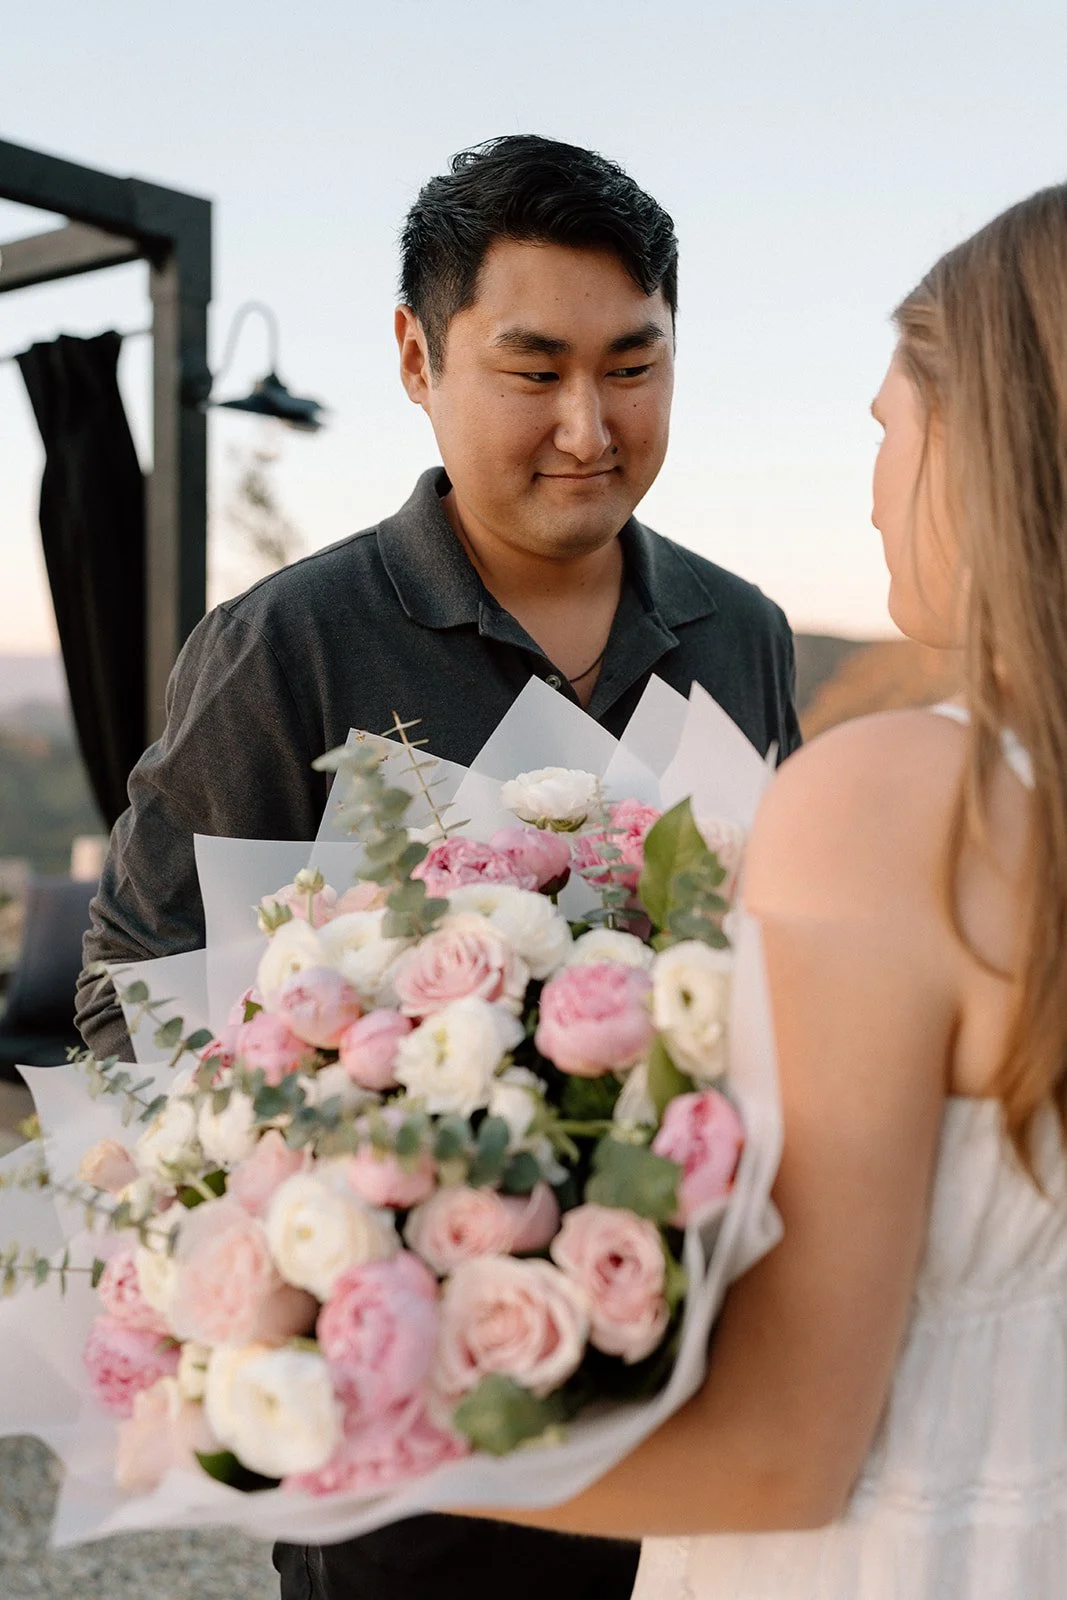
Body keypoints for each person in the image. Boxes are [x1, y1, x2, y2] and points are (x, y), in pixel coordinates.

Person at [75, 135, 800, 1600]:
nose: (590, 428)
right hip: (409, 1446)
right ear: (418, 356)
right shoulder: (287, 645)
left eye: (634, 365)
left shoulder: (743, 633)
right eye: (533, 373)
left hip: (714, 1395)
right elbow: (127, 998)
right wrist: (363, 1161)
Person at [457, 183, 1067, 1597]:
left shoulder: (908, 798)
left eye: (881, 427)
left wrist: (281, 1421)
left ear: (986, 433)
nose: (866, 489)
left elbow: (779, 1455)